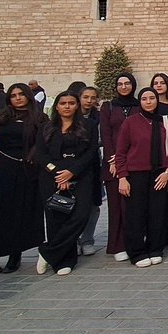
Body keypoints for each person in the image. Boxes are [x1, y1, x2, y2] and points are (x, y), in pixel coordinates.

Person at [0, 83, 44, 273]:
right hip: (2, 167)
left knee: (20, 211)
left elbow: (42, 141)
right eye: (13, 95)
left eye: (21, 94)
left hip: (26, 168)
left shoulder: (39, 118)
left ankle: (14, 254)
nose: (17, 98)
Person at [115, 88, 168, 267]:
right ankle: (137, 252)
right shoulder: (130, 122)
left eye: (152, 98)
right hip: (135, 174)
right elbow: (121, 152)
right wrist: (122, 177)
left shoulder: (164, 122)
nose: (149, 102)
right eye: (144, 99)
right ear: (140, 102)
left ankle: (155, 248)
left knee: (157, 213)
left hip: (159, 173)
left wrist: (167, 171)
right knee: (135, 214)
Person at [35, 92, 97, 276]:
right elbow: (41, 154)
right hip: (51, 177)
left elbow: (91, 152)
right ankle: (62, 261)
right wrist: (58, 173)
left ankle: (48, 251)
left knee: (80, 216)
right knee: (56, 218)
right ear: (57, 106)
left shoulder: (89, 126)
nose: (67, 106)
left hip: (81, 175)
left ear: (77, 105)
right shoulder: (46, 127)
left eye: (71, 103)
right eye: (63, 103)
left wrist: (72, 172)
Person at [99, 74, 138, 261]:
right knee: (116, 206)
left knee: (133, 205)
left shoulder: (139, 105)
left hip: (136, 161)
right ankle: (117, 245)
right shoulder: (108, 107)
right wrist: (112, 160)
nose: (123, 87)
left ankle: (134, 240)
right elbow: (106, 135)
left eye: (127, 83)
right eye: (120, 84)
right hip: (113, 163)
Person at [77, 86, 103, 256]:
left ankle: (87, 240)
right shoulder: (70, 114)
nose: (89, 101)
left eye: (93, 98)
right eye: (86, 97)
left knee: (94, 204)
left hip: (93, 162)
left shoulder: (98, 117)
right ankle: (73, 239)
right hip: (73, 164)